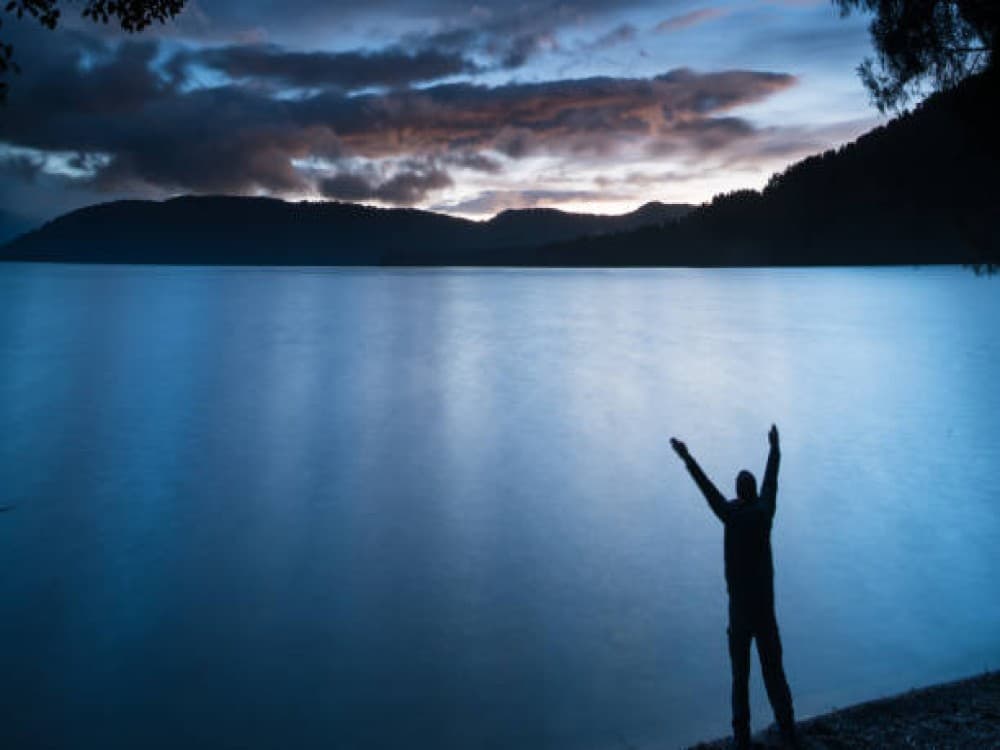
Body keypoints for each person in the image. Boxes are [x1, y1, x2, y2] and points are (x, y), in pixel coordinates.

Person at [670, 425, 798, 750]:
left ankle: (741, 737)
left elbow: (707, 488)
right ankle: (787, 730)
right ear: (753, 492)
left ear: (738, 492)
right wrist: (775, 448)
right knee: (774, 674)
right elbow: (772, 480)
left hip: (740, 614)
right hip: (765, 613)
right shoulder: (763, 513)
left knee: (740, 678)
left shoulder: (730, 514)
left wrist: (687, 457)